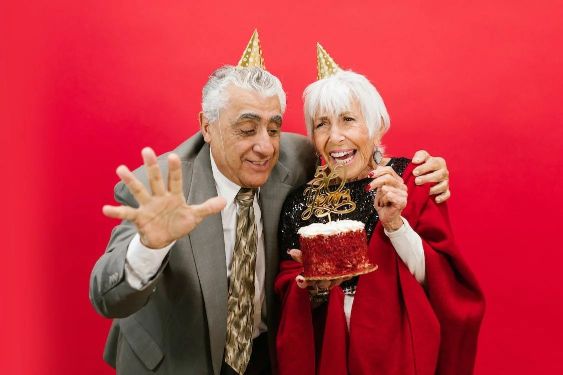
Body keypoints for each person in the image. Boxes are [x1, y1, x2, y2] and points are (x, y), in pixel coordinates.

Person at [89, 33, 453, 375]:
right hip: (175, 358)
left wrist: (427, 171)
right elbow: (108, 298)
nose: (265, 147)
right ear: (207, 126)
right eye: (246, 130)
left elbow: (354, 152)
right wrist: (151, 246)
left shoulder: (298, 158)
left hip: (267, 355)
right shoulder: (160, 187)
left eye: (274, 128)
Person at [275, 45, 485, 375]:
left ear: (377, 126)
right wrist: (311, 288)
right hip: (327, 356)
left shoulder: (411, 180)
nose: (335, 137)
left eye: (348, 120)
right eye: (322, 125)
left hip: (397, 356)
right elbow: (287, 292)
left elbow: (441, 285)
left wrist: (395, 225)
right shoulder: (299, 203)